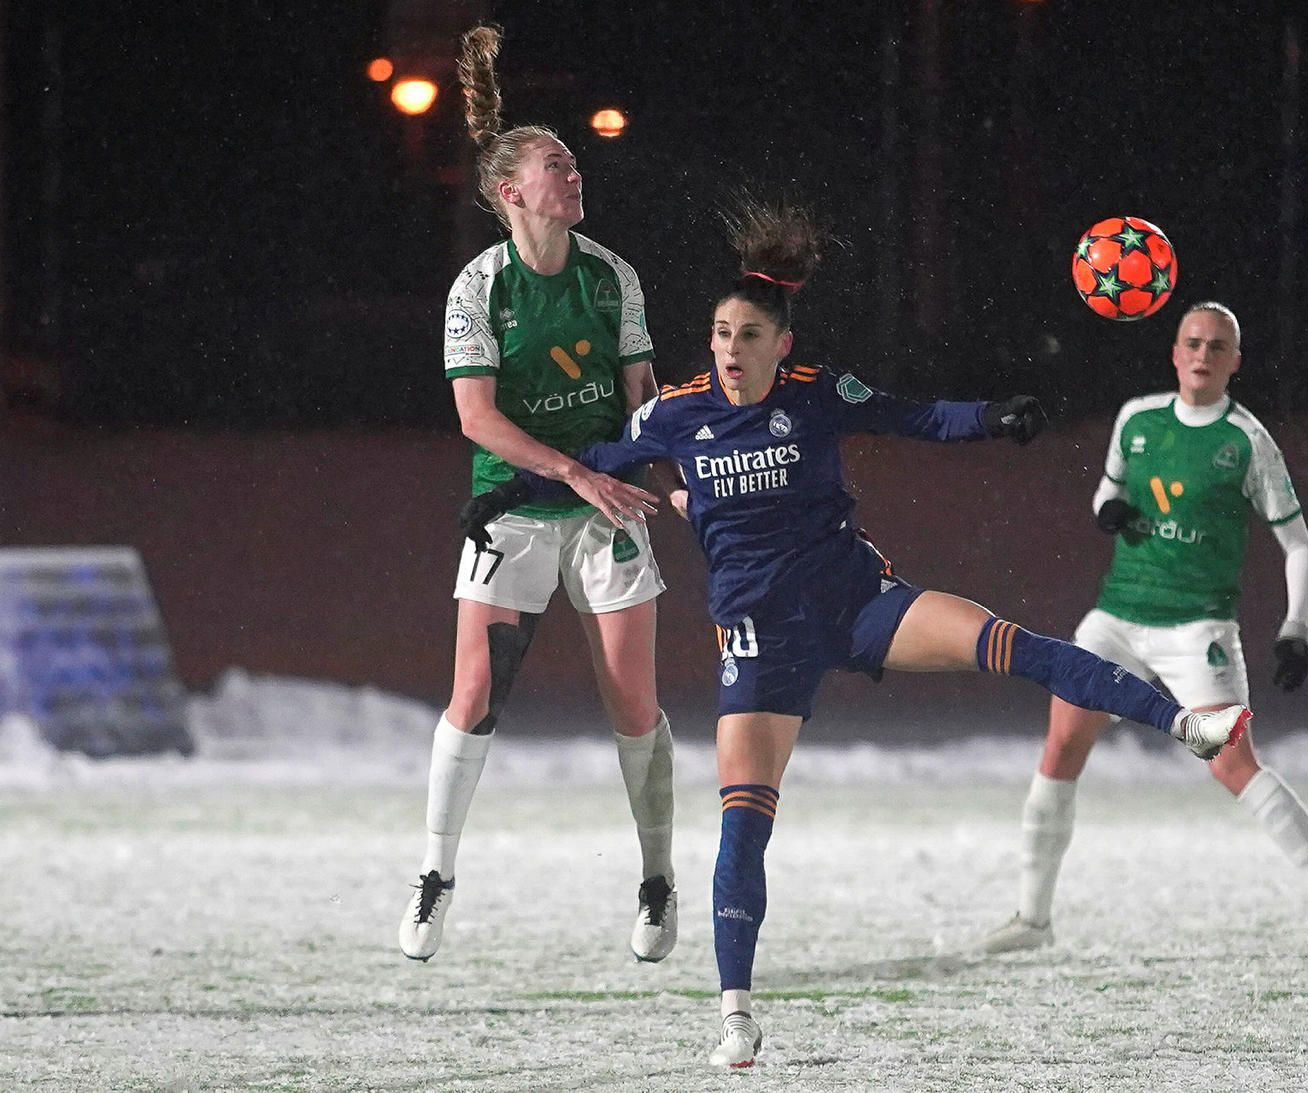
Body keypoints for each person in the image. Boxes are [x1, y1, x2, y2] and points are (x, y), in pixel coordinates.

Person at [459, 196, 1252, 1068]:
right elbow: (592, 465)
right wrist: (504, 493)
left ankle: (1185, 723)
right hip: (761, 643)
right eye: (721, 334)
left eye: (748, 335)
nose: (729, 350)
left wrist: (994, 417)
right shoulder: (675, 416)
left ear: (781, 344)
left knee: (1013, 642)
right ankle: (735, 1014)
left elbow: (916, 416)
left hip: (859, 604)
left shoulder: (819, 393)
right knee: (744, 826)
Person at [397, 24, 680, 967]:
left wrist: (677, 470)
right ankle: (435, 875)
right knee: (473, 693)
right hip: (512, 509)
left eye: (574, 163)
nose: (576, 174)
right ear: (514, 192)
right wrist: (572, 471)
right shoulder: (479, 288)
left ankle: (654, 875)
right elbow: (477, 418)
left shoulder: (612, 277)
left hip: (607, 513)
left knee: (632, 704)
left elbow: (642, 398)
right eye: (559, 164)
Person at [976, 301, 1308, 958]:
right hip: (1115, 619)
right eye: (1193, 342)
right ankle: (1033, 918)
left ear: (1235, 362)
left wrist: (1295, 627)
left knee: (1233, 764)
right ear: (1174, 351)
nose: (1202, 355)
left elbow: (1299, 544)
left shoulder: (1247, 439)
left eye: (1218, 346)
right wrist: (1110, 511)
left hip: (1198, 628)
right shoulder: (1138, 418)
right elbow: (1106, 491)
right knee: (1061, 748)